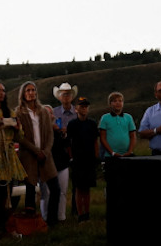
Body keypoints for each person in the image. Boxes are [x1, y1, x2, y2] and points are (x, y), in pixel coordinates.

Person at [15, 81, 60, 227]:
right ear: (23, 93)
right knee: (30, 189)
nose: (30, 93)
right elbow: (19, 137)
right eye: (27, 90)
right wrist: (35, 151)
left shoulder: (43, 112)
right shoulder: (19, 113)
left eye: (33, 90)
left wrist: (45, 151)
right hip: (29, 155)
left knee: (55, 188)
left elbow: (50, 134)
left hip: (45, 155)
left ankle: (52, 221)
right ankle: (30, 224)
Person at [0, 80, 25, 235]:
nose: (1, 93)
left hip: (7, 155)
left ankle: (4, 225)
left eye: (3, 90)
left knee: (5, 193)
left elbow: (19, 136)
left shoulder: (10, 112)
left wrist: (17, 128)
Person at [66, 97, 99, 222]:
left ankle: (87, 213)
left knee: (87, 188)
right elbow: (68, 143)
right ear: (76, 109)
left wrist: (96, 156)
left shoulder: (92, 123)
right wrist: (71, 157)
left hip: (89, 159)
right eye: (81, 106)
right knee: (79, 188)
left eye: (86, 106)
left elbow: (96, 141)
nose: (84, 108)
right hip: (78, 160)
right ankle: (80, 215)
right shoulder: (72, 124)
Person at [51, 82, 78, 220]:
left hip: (75, 148)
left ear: (71, 97)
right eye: (63, 94)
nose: (66, 96)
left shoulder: (77, 113)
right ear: (59, 97)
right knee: (58, 183)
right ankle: (56, 211)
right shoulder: (53, 113)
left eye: (68, 94)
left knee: (77, 182)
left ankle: (76, 209)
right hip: (59, 150)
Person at [98, 91, 136, 159]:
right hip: (110, 155)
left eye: (120, 101)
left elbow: (133, 136)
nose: (118, 103)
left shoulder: (128, 117)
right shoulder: (105, 118)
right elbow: (102, 138)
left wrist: (130, 151)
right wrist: (112, 152)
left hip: (127, 155)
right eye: (115, 101)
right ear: (110, 104)